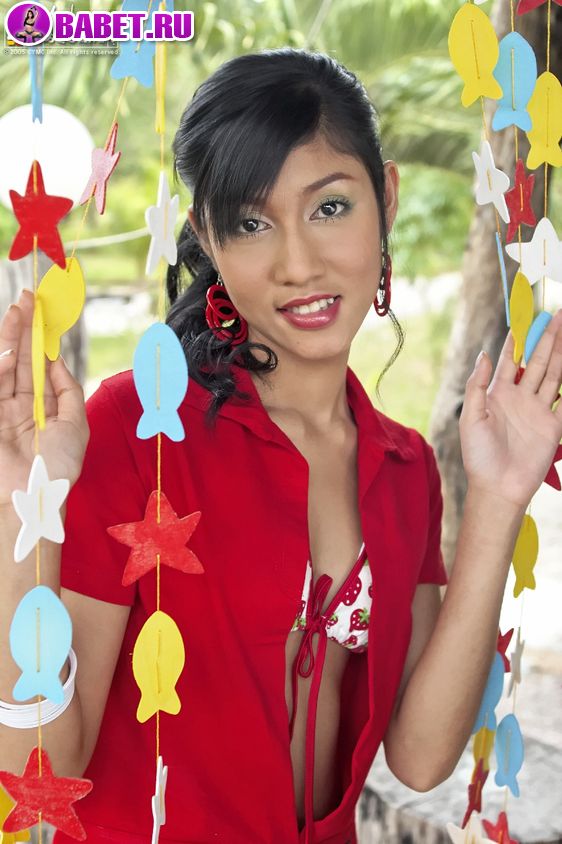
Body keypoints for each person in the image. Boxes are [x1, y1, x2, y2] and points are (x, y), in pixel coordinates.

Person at [1, 47, 562, 844]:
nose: (300, 263)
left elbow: (421, 757)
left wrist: (501, 499)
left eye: (330, 207)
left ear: (386, 197)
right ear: (207, 237)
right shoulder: (136, 432)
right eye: (251, 223)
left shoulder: (404, 468)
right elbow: (43, 767)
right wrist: (20, 520)